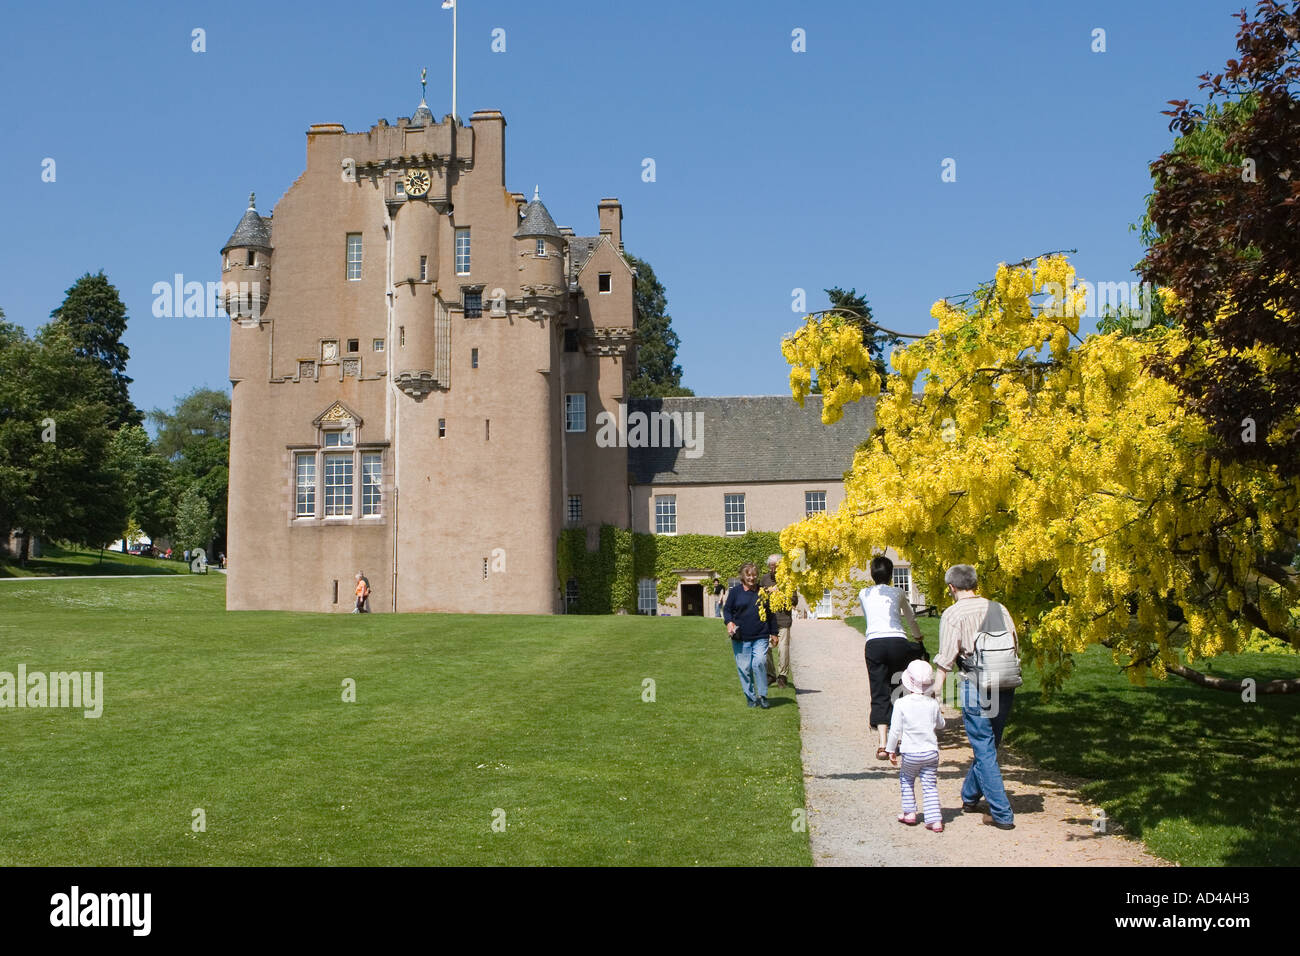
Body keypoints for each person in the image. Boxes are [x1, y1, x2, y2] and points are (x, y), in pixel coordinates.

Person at [932, 563, 1019, 830]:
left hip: (975, 683)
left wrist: (935, 691)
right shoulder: (999, 608)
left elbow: (947, 657)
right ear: (975, 583)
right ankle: (970, 796)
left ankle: (1002, 814)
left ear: (951, 587)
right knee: (989, 746)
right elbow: (1014, 643)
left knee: (983, 746)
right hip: (1004, 681)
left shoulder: (953, 613)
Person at [859, 554, 926, 760]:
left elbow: (869, 617)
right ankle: (902, 739)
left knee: (879, 690)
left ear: (872, 574)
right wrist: (918, 637)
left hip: (874, 643)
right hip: (897, 642)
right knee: (899, 687)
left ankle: (882, 744)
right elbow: (910, 618)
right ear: (891, 575)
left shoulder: (864, 593)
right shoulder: (898, 592)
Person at [888, 660, 946, 832]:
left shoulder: (901, 704)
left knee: (906, 779)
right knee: (929, 785)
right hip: (931, 752)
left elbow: (895, 730)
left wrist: (890, 749)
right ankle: (934, 820)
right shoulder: (932, 703)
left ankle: (909, 813)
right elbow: (941, 724)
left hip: (910, 752)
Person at [723, 562, 778, 708]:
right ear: (742, 576)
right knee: (745, 668)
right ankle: (751, 698)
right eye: (748, 575)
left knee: (759, 663)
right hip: (741, 637)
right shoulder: (735, 592)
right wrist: (729, 622)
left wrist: (774, 633)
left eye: (754, 575)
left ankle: (763, 695)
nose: (752, 578)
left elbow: (770, 614)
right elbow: (727, 610)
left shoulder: (762, 592)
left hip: (761, 635)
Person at [760, 554, 795, 689]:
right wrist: (768, 592)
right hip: (768, 621)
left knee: (783, 649)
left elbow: (794, 600)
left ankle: (782, 676)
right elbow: (759, 597)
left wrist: (781, 594)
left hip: (783, 620)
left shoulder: (788, 579)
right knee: (766, 648)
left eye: (776, 566)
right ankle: (771, 674)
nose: (774, 569)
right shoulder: (765, 579)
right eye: (772, 566)